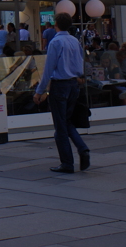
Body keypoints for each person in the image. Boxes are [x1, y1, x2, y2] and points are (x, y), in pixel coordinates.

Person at [33, 13, 90, 173]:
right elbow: (80, 64)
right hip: (73, 83)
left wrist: (40, 90)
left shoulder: (56, 42)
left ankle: (67, 162)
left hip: (60, 85)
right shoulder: (74, 41)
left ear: (56, 24)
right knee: (66, 121)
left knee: (60, 126)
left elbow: (48, 69)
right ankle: (82, 147)